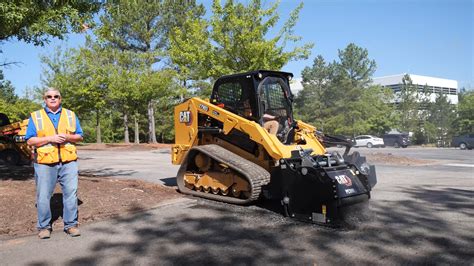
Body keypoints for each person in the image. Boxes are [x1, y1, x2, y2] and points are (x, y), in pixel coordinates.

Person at [25, 88, 83, 239]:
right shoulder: (36, 116)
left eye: (56, 96)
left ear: (60, 99)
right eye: (49, 96)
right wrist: (51, 138)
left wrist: (68, 137)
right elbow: (30, 140)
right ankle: (44, 227)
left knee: (71, 194)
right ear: (44, 99)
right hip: (45, 163)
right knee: (43, 195)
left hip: (68, 161)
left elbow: (80, 136)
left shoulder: (70, 115)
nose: (52, 98)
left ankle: (71, 225)